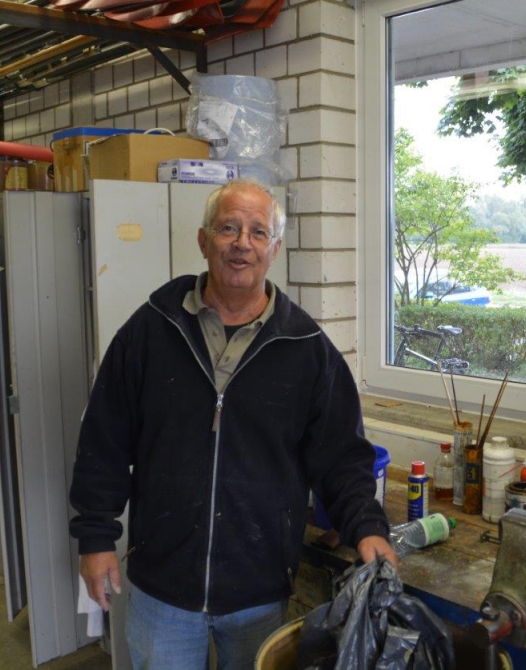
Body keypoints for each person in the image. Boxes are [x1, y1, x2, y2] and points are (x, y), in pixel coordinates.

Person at [69, 179, 397, 669]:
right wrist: (96, 539)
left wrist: (367, 527)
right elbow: (104, 441)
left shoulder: (307, 350)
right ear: (204, 241)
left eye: (258, 232)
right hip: (163, 587)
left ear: (274, 250)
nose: (242, 243)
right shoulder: (151, 330)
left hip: (258, 592)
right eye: (228, 228)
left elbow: (341, 459)